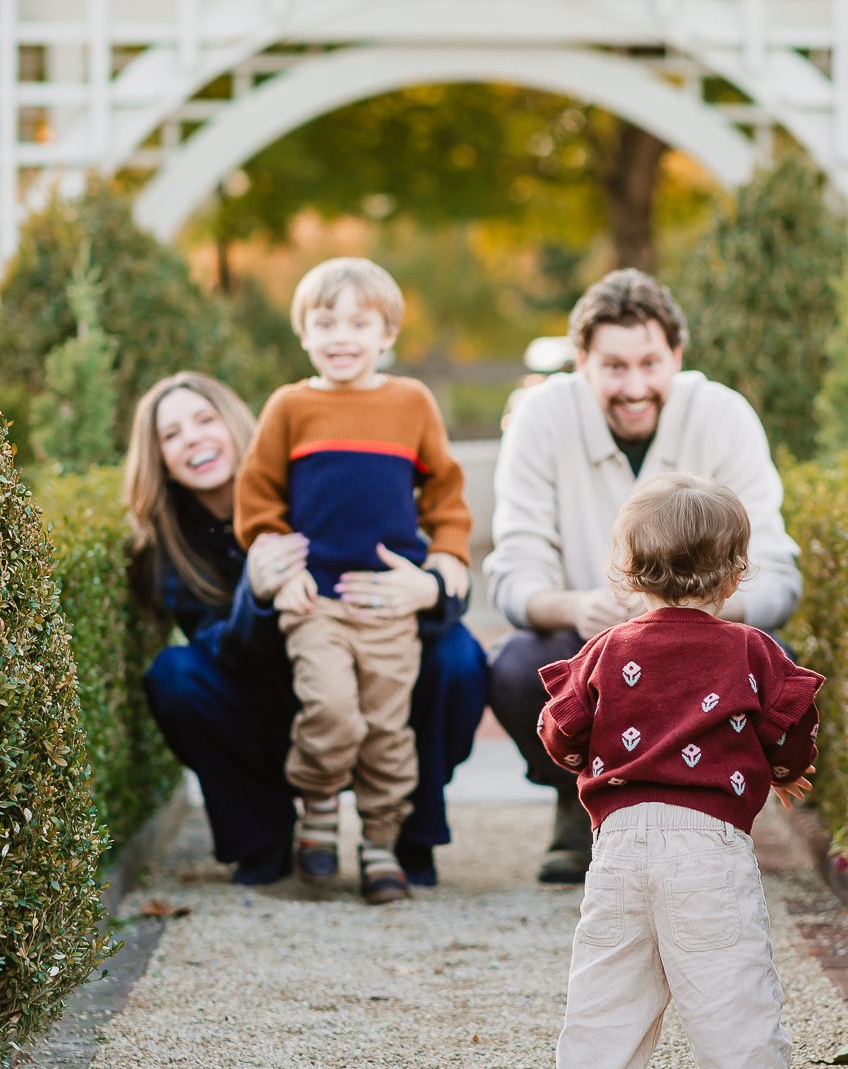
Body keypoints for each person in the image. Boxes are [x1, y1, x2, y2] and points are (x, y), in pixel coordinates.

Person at [484, 267, 803, 884]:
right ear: (582, 362)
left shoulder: (724, 415)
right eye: (614, 367)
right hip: (588, 638)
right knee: (518, 668)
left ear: (677, 355)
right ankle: (578, 803)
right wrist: (576, 607)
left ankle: (715, 815)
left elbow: (778, 578)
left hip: (703, 638)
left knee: (773, 663)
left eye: (650, 364)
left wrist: (693, 608)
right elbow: (515, 572)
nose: (635, 387)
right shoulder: (541, 417)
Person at [128, 370, 486, 896]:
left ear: (235, 424)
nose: (193, 439)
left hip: (374, 681)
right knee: (174, 674)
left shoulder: (310, 483)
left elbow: (426, 547)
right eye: (172, 434)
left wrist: (431, 588)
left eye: (205, 420)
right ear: (158, 458)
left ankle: (405, 834)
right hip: (278, 710)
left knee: (458, 656)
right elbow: (224, 654)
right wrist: (257, 594)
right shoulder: (170, 547)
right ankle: (264, 837)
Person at [538, 473, 822, 1069]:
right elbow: (791, 728)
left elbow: (561, 731)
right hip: (709, 847)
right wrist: (782, 768)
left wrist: (581, 759)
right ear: (736, 575)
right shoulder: (751, 649)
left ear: (628, 572)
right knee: (733, 1008)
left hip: (618, 846)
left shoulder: (607, 649)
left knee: (606, 1010)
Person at [234, 257, 473, 905]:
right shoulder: (290, 406)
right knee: (332, 710)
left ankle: (381, 841)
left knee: (388, 728)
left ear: (386, 333)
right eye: (325, 322)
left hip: (388, 601)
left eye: (359, 323)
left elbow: (446, 494)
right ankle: (316, 804)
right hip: (317, 599)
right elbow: (257, 498)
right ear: (303, 332)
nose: (341, 336)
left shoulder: (411, 402)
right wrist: (278, 565)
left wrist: (446, 557)